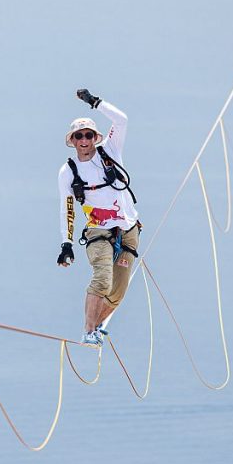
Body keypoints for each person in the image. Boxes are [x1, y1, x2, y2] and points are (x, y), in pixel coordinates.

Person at [56, 89, 141, 346]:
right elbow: (67, 209)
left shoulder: (110, 150)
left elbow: (122, 120)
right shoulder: (68, 172)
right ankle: (88, 330)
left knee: (117, 293)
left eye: (88, 135)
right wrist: (66, 244)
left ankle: (98, 325)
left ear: (95, 137)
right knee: (102, 279)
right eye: (78, 136)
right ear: (72, 141)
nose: (84, 140)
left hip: (128, 229)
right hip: (98, 232)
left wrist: (95, 102)